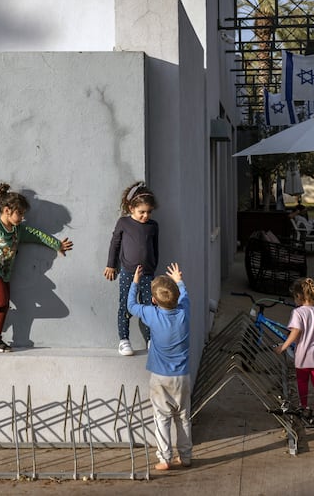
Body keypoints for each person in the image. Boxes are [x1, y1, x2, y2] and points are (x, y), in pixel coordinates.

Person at [0, 182, 73, 352]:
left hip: (5, 274)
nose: (22, 218)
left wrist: (57, 245)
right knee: (1, 300)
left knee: (3, 305)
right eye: (20, 213)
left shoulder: (18, 230)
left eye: (24, 214)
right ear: (7, 210)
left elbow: (37, 235)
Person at [128, 263, 191, 471]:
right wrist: (179, 280)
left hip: (160, 378)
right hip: (182, 376)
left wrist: (135, 282)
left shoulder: (151, 314)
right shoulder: (184, 312)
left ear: (154, 301)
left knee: (161, 418)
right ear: (176, 298)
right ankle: (185, 456)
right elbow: (184, 295)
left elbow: (131, 306)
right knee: (183, 417)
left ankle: (165, 458)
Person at [103, 182, 159, 356]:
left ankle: (151, 340)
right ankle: (124, 340)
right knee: (126, 306)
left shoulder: (153, 226)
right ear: (131, 208)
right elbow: (115, 244)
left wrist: (153, 266)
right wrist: (111, 264)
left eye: (149, 212)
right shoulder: (124, 223)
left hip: (148, 274)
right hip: (128, 272)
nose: (145, 215)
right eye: (142, 212)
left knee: (149, 307)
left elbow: (155, 248)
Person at [274, 278, 314, 418]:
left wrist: (284, 346)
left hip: (303, 356)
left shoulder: (298, 313)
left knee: (302, 382)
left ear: (298, 296)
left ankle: (304, 406)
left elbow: (296, 331)